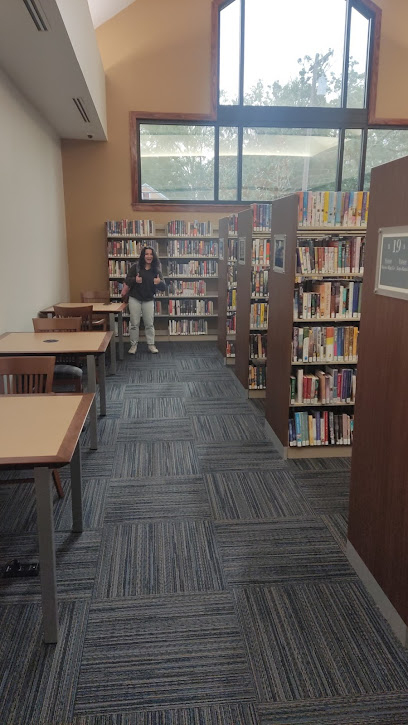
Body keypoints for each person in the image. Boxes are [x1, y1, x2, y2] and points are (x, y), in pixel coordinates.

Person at [122, 246, 166, 354]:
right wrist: (135, 280)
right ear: (143, 255)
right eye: (146, 254)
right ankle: (133, 345)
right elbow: (127, 280)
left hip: (148, 299)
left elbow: (164, 286)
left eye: (151, 254)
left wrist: (159, 282)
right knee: (134, 323)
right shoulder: (135, 267)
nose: (149, 256)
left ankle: (151, 345)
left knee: (149, 324)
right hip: (135, 298)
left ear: (153, 256)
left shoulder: (156, 270)